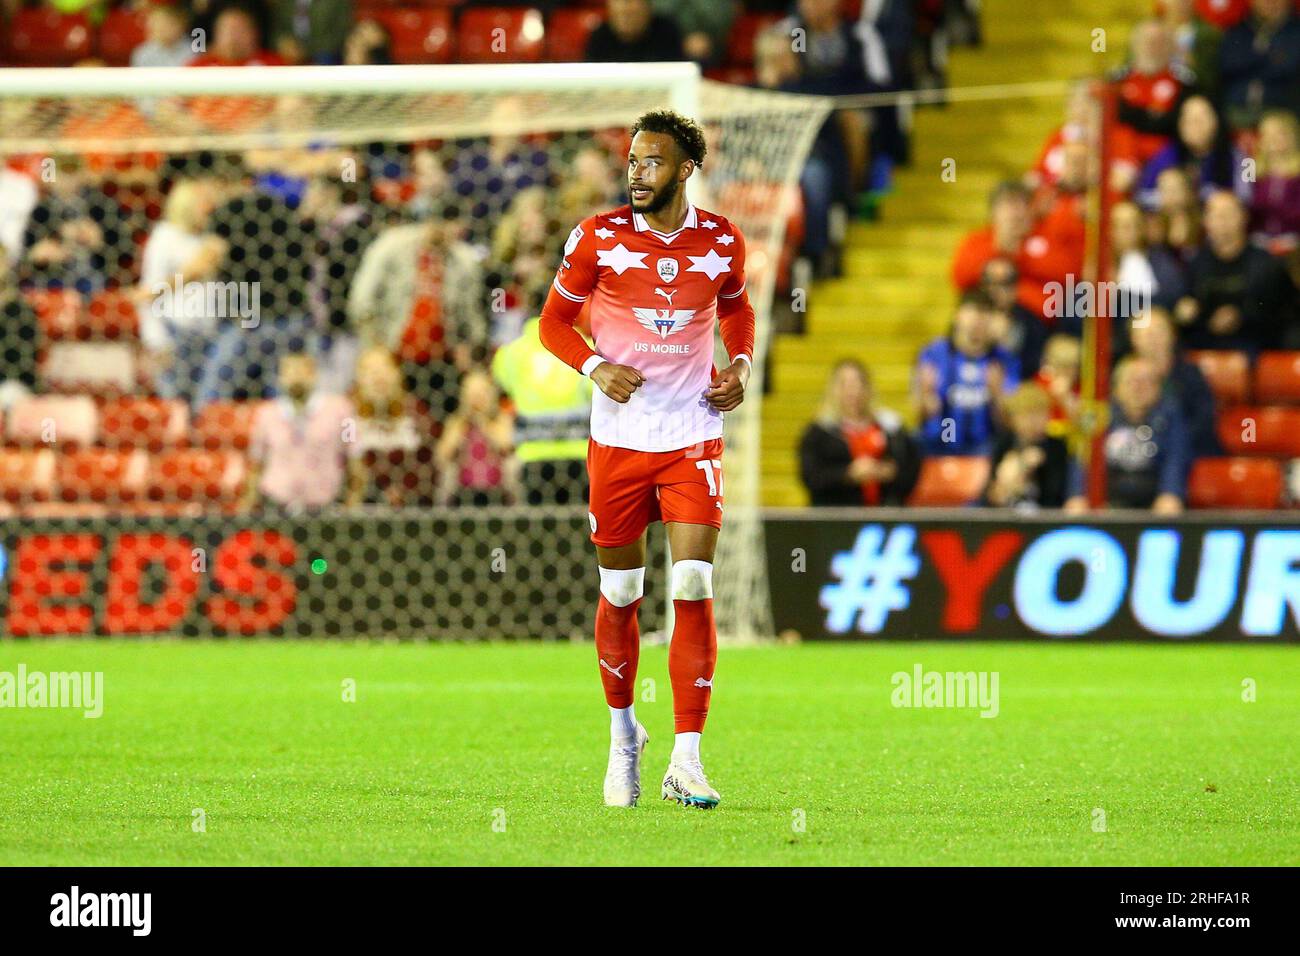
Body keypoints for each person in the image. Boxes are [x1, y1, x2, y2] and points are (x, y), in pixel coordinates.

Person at [538, 110, 755, 810]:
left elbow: (737, 310)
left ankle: (687, 759)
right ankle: (622, 735)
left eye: (651, 161)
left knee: (692, 581)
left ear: (684, 169)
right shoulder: (597, 238)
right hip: (618, 440)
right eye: (631, 160)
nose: (636, 172)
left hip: (693, 434)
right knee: (624, 595)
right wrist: (596, 365)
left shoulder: (722, 241)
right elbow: (551, 323)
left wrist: (740, 364)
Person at [348, 214, 488, 417]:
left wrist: (471, 347)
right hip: (394, 351)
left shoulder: (463, 259)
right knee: (393, 412)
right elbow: (361, 299)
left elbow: (472, 312)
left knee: (441, 416)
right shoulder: (391, 246)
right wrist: (374, 344)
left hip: (442, 357)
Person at [135, 179, 225, 408]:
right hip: (174, 334)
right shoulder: (165, 236)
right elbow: (149, 292)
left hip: (208, 335)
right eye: (203, 203)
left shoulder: (209, 239)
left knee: (205, 406)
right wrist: (156, 341)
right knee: (175, 405)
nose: (209, 208)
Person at [244, 349, 366, 514]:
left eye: (302, 370)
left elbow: (355, 457)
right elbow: (256, 464)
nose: (296, 377)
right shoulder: (266, 414)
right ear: (280, 378)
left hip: (326, 507)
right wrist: (246, 509)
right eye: (289, 371)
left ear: (314, 374)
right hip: (276, 506)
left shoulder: (342, 410)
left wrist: (352, 506)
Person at [1064, 355, 1189, 514]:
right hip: (1106, 498)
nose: (1139, 388)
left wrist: (1170, 493)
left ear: (1158, 388)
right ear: (1116, 388)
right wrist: (1077, 494)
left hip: (1151, 496)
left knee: (1170, 508)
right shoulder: (1097, 415)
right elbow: (1081, 459)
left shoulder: (1170, 416)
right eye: (1132, 381)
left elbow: (1175, 459)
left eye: (1147, 382)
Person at [1176, 190, 1298, 349]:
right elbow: (1187, 303)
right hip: (1206, 342)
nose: (1222, 222)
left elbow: (1284, 311)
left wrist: (1241, 317)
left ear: (1244, 217)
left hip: (1256, 343)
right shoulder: (1197, 263)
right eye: (1216, 215)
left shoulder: (1267, 263)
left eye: (1228, 214)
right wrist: (1185, 310)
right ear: (1206, 221)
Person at [492, 316, 592, 506]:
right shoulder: (585, 347)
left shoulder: (512, 353)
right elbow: (595, 390)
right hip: (578, 454)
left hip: (534, 454)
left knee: (538, 524)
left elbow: (503, 384)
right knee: (579, 527)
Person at [799, 359, 919, 506]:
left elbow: (911, 467)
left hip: (886, 513)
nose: (853, 391)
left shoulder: (891, 426)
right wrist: (848, 474)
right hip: (837, 514)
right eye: (844, 385)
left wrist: (886, 472)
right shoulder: (819, 432)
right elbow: (811, 476)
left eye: (858, 383)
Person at [913, 292, 1018, 456]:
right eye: (972, 313)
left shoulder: (1003, 360)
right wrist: (926, 398)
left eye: (984, 314)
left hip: (986, 447)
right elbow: (920, 413)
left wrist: (997, 395)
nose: (977, 321)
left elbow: (1009, 423)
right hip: (939, 444)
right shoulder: (933, 354)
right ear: (957, 316)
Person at [1128, 306, 1221, 458]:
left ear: (1172, 335)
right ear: (1133, 339)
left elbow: (1204, 419)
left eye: (1158, 332)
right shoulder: (1126, 375)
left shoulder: (1190, 374)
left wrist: (1169, 442)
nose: (1152, 339)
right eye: (1145, 334)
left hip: (1184, 452)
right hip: (1138, 454)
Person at [433, 367, 518, 507]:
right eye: (472, 393)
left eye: (481, 392)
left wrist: (483, 421)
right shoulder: (457, 422)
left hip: (497, 489)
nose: (476, 398)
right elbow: (441, 455)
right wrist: (462, 427)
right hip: (464, 490)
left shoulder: (501, 419)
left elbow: (507, 445)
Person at [982, 383, 1071, 509]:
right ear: (1014, 419)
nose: (1034, 422)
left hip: (1045, 517)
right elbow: (989, 497)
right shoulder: (1003, 444)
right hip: (1006, 517)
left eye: (1040, 414)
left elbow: (1057, 497)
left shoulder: (1057, 447)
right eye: (1028, 415)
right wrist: (1015, 474)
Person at [1219, 0, 1300, 131]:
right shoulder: (1238, 30)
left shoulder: (1296, 32)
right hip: (1235, 115)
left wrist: (1253, 57)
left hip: (1281, 115)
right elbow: (1227, 65)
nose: (1269, 2)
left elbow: (1289, 67)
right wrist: (1269, 57)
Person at [1249, 110, 1300, 258]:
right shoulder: (1250, 165)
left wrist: (1273, 206)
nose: (1274, 139)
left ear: (1293, 137)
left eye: (1280, 133)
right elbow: (1245, 202)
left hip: (1293, 242)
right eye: (1268, 134)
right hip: (1258, 242)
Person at [584, 0, 684, 63]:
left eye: (631, 15)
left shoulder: (666, 32)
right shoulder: (600, 37)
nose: (625, 10)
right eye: (621, 16)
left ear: (647, 9)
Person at [130, 4, 195, 68]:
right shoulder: (142, 53)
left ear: (180, 25)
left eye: (168, 23)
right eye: (158, 22)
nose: (162, 28)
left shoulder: (193, 52)